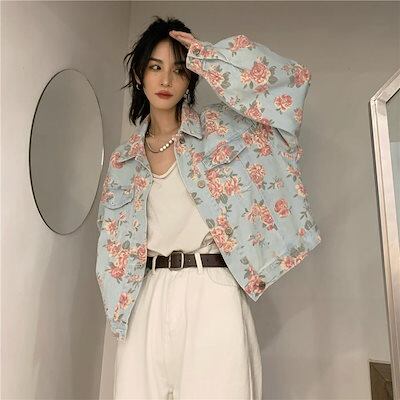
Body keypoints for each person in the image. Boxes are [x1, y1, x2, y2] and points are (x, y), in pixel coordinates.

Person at [96, 15, 321, 400]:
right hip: (145, 294)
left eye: (178, 69)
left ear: (191, 79)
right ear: (138, 75)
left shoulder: (222, 130)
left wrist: (209, 57)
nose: (166, 80)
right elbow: (110, 244)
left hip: (210, 287)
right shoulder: (123, 160)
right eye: (155, 67)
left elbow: (291, 83)